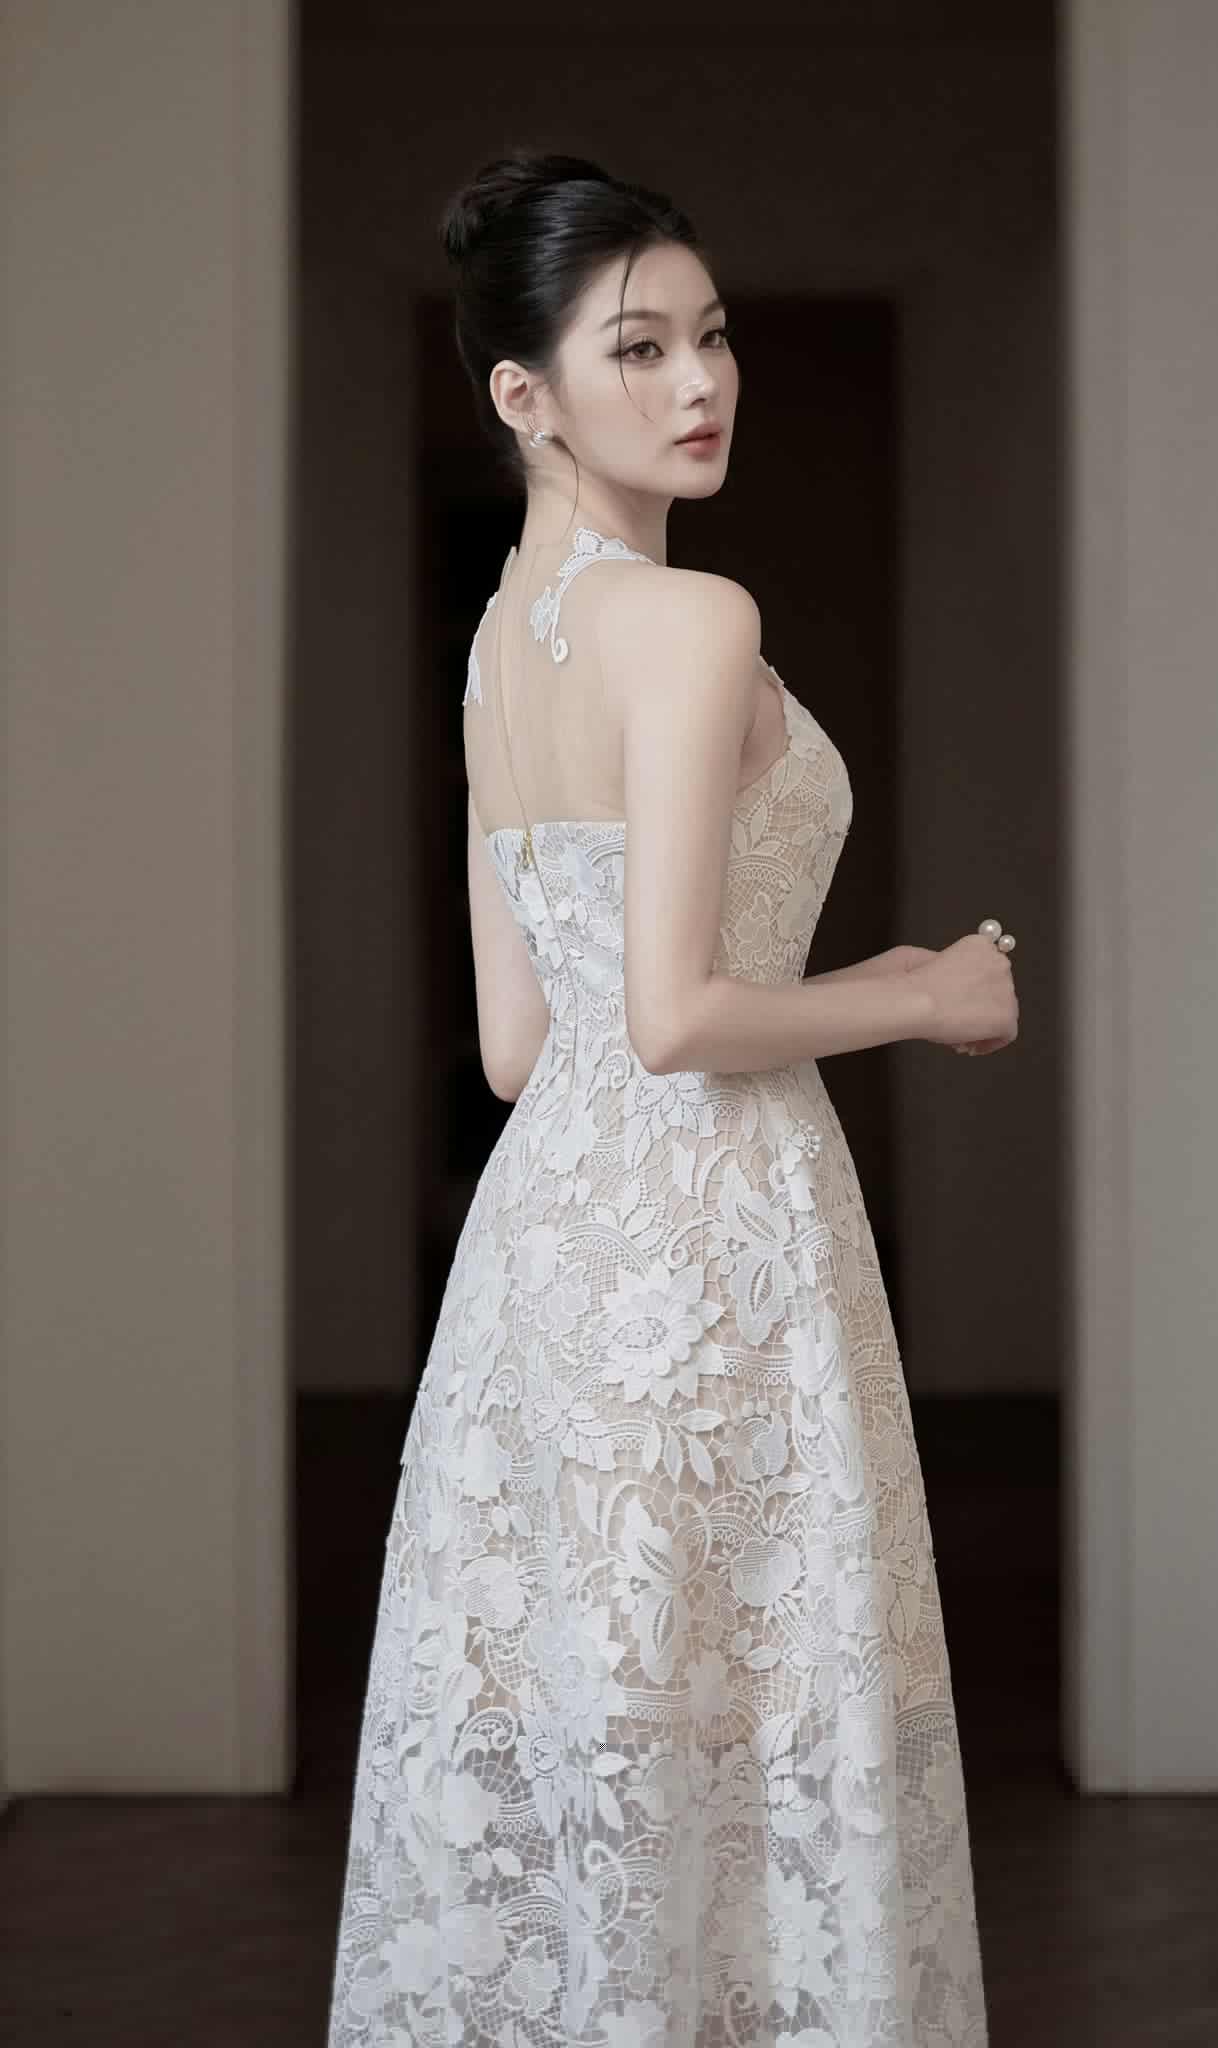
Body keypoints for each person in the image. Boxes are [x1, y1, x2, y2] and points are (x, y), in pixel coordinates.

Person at [326, 147, 1014, 2048]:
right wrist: (911, 989)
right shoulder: (689, 620)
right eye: (636, 348)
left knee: (606, 1718)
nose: (697, 384)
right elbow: (674, 1013)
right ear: (522, 396)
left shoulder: (490, 653)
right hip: (716, 1227)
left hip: (547, 1252)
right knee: (746, 1708)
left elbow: (519, 1056)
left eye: (710, 338)